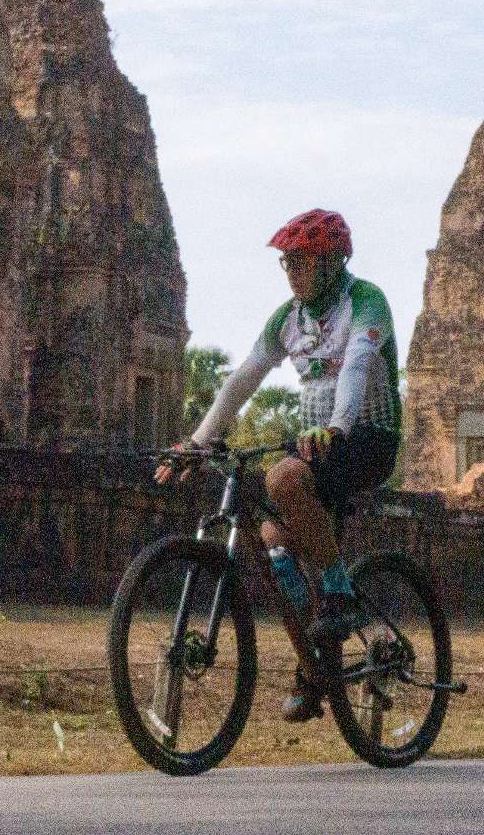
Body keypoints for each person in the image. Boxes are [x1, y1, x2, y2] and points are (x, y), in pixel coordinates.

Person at [156, 208, 402, 723]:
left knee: (283, 477)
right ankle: (313, 667)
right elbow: (243, 379)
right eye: (286, 262)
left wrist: (336, 426)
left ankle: (337, 595)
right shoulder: (288, 318)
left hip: (364, 437)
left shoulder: (366, 302)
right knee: (272, 541)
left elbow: (357, 365)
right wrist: (197, 443)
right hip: (315, 440)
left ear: (331, 264)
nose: (291, 271)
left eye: (302, 261)